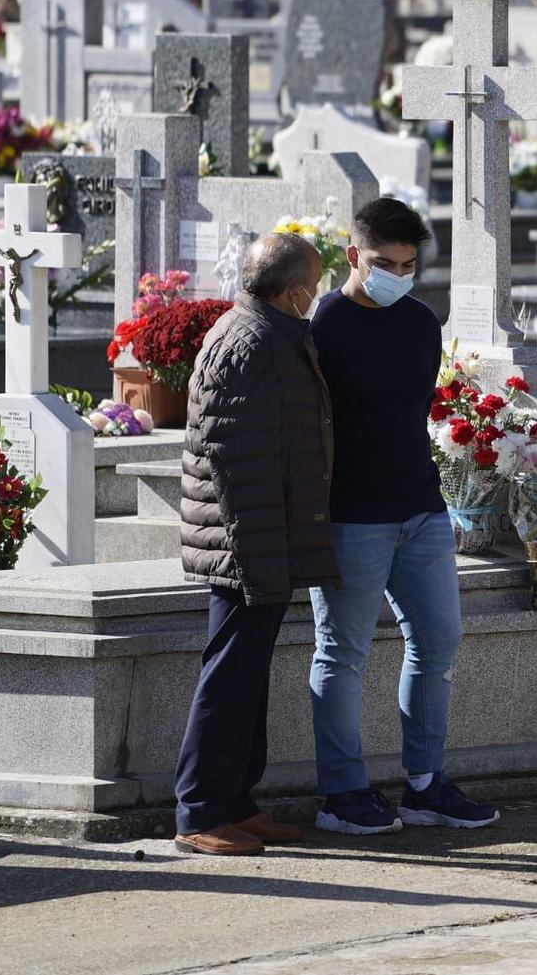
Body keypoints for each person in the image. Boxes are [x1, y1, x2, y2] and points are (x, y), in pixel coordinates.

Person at [305, 197, 498, 836]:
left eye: (410, 264)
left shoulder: (419, 321)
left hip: (420, 509)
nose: (399, 273)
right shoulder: (323, 325)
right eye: (385, 263)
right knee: (342, 654)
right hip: (351, 515)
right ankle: (342, 793)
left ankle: (424, 785)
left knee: (439, 641)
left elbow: (413, 411)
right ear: (352, 256)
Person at [173, 233, 340, 856]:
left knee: (247, 677)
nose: (317, 295)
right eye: (315, 285)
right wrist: (254, 553)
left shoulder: (271, 334)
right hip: (246, 543)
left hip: (265, 536)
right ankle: (200, 810)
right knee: (228, 676)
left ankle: (237, 802)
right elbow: (233, 463)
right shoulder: (246, 342)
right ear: (295, 290)